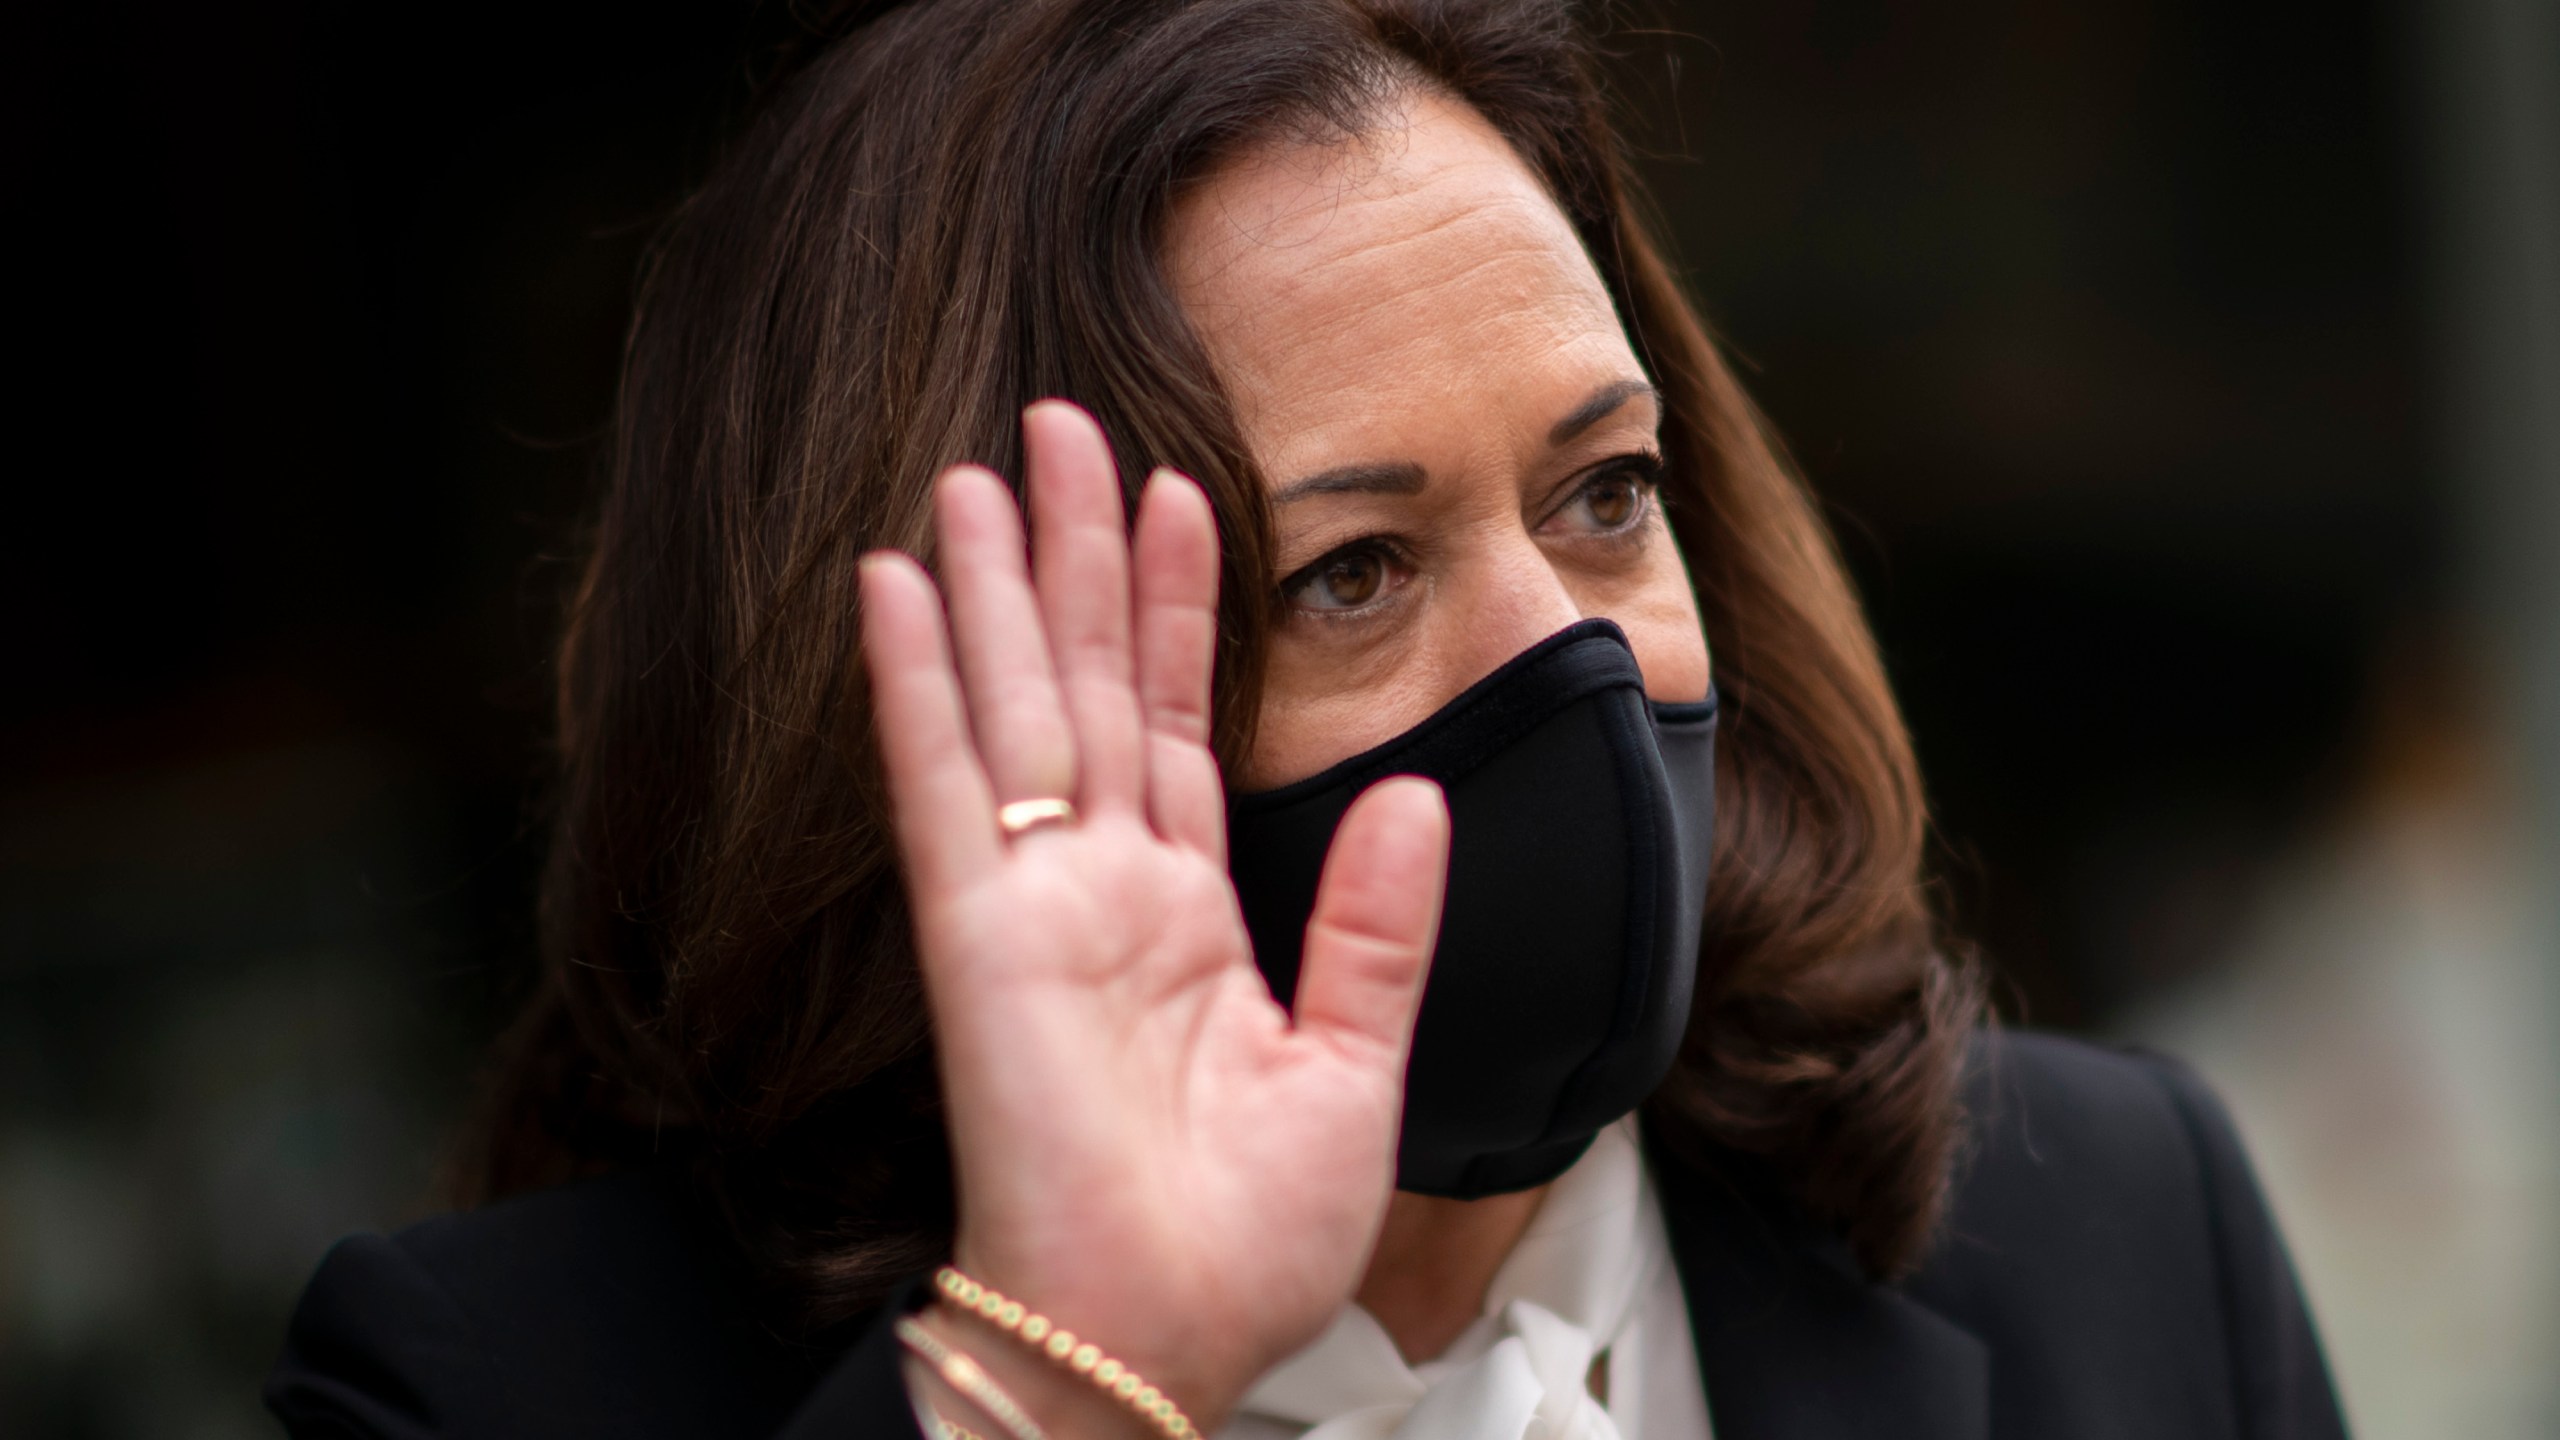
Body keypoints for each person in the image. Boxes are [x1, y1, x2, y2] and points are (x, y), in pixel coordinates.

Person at [265, 1, 2351, 1436]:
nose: (1577, 654)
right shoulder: (493, 1384)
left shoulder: (2107, 1226)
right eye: (1347, 570)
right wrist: (1061, 1377)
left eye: (1603, 497)